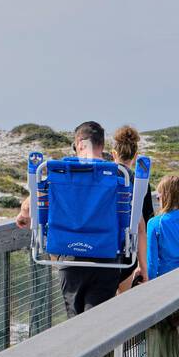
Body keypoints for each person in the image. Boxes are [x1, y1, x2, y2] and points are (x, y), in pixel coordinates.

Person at [14, 120, 149, 316]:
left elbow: (34, 199)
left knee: (76, 321)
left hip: (70, 256)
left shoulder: (59, 172)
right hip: (107, 256)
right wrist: (143, 267)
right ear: (102, 146)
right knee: (99, 322)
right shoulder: (119, 175)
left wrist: (23, 214)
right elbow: (138, 225)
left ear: (78, 144)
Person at [111, 124, 154, 291]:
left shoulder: (104, 179)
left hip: (103, 247)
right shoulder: (140, 183)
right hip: (128, 254)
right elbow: (143, 227)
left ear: (114, 154)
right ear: (135, 156)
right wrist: (144, 267)